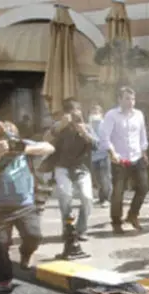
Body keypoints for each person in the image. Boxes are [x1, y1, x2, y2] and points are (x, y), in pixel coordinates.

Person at [0, 121, 54, 292]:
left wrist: (24, 149)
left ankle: (26, 253)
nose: (10, 142)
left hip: (25, 204)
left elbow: (49, 147)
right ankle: (4, 280)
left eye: (12, 137)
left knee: (34, 235)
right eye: (5, 139)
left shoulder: (23, 146)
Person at [99, 87, 149, 234]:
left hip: (137, 156)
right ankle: (116, 221)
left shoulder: (139, 114)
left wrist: (144, 151)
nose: (131, 102)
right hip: (120, 159)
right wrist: (112, 152)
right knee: (118, 192)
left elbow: (142, 134)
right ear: (119, 99)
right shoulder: (111, 115)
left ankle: (133, 215)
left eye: (133, 99)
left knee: (144, 187)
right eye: (127, 98)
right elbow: (104, 137)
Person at [45, 99, 96, 240]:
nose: (74, 115)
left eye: (76, 111)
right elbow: (46, 139)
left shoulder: (86, 127)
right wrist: (61, 125)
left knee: (87, 198)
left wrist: (84, 132)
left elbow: (96, 145)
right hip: (62, 166)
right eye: (70, 112)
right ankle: (68, 228)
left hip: (82, 167)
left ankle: (81, 229)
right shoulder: (59, 126)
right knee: (65, 196)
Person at [88, 105, 112, 207]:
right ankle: (101, 198)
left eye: (96, 111)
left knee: (105, 178)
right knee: (98, 178)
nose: (94, 113)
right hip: (94, 156)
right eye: (93, 111)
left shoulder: (103, 124)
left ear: (101, 113)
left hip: (103, 155)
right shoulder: (89, 126)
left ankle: (107, 199)